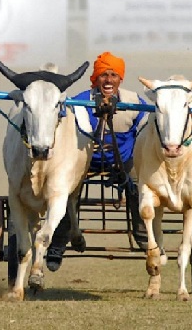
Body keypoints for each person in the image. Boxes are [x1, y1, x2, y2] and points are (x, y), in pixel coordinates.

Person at [46, 51, 149, 272]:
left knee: (139, 188)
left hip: (124, 162)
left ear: (120, 79)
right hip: (83, 161)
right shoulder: (78, 101)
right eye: (103, 75)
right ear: (95, 78)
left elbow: (145, 130)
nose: (108, 80)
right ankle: (58, 244)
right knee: (63, 195)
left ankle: (143, 237)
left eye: (113, 75)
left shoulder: (135, 102)